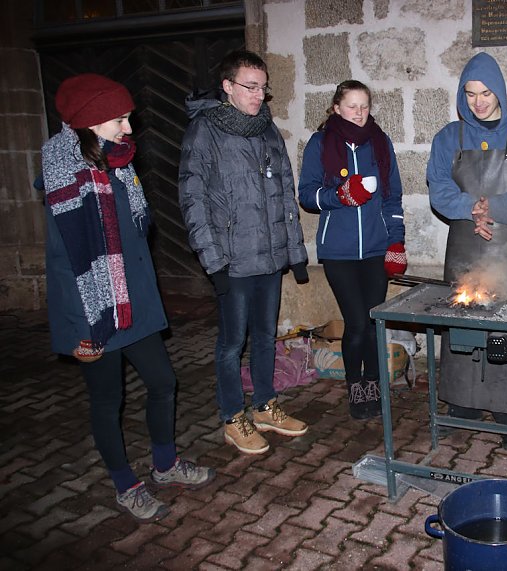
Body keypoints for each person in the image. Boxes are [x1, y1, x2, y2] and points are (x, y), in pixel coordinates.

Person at [40, 73, 215, 522]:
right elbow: (65, 266)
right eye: (119, 119)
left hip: (133, 300)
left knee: (163, 382)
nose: (128, 129)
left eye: (128, 118)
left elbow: (137, 233)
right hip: (95, 310)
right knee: (106, 399)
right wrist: (82, 330)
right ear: (90, 122)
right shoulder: (65, 175)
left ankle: (164, 463)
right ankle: (125, 485)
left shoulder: (117, 162)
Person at [179, 50, 310, 455]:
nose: (258, 95)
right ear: (227, 87)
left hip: (269, 257)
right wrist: (213, 261)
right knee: (232, 342)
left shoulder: (267, 129)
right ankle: (232, 416)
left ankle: (265, 405)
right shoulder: (205, 131)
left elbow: (284, 192)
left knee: (266, 336)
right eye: (250, 87)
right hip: (232, 261)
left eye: (263, 88)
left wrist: (295, 251)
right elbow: (193, 198)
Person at [427, 52, 507, 451]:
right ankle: (462, 403)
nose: (478, 101)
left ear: (499, 91)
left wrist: (493, 209)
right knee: (461, 322)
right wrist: (471, 209)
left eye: (485, 93)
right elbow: (438, 187)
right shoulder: (449, 137)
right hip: (465, 243)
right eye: (470, 93)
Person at [298, 80, 407, 419]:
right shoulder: (321, 143)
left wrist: (396, 240)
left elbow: (392, 197)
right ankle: (356, 386)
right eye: (352, 106)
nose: (359, 113)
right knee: (356, 321)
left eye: (364, 106)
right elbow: (307, 195)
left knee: (374, 322)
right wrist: (340, 196)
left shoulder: (380, 143)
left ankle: (375, 384)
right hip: (338, 251)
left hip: (375, 248)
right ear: (336, 108)